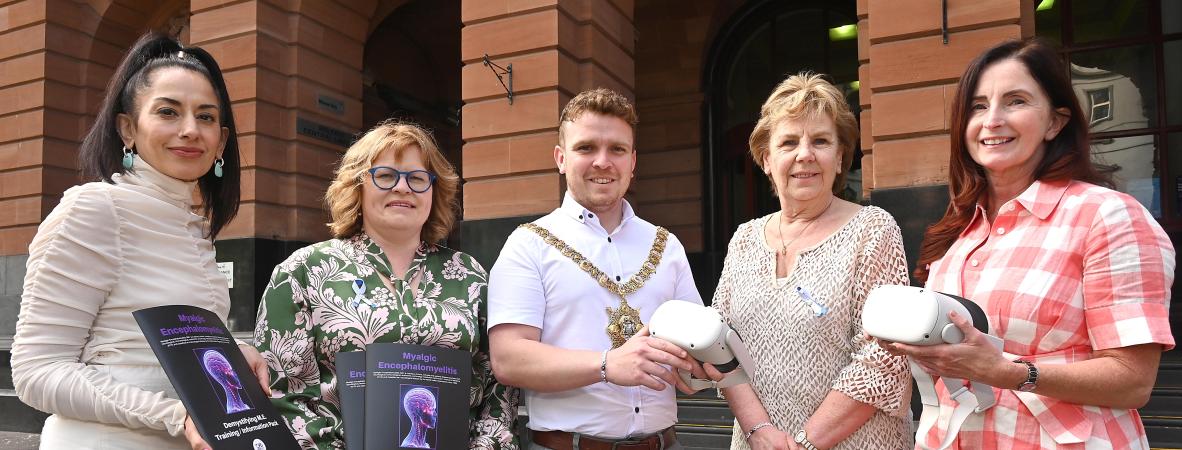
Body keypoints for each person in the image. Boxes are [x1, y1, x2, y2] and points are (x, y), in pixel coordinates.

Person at [888, 38, 1176, 449]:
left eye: (1016, 101)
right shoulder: (961, 228)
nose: (992, 121)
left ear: (1056, 122)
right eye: (978, 105)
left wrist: (1010, 372)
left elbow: (1132, 381)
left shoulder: (1108, 216)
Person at [11, 32, 267, 450]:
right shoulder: (95, 209)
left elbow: (140, 341)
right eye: (168, 111)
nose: (189, 130)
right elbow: (37, 373)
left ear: (221, 142)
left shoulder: (195, 227)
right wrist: (175, 416)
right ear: (127, 128)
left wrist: (229, 350)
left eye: (205, 117)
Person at [253, 120, 517, 449]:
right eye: (386, 175)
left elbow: (497, 388)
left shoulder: (469, 275)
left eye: (417, 178)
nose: (403, 188)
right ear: (357, 185)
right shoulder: (304, 271)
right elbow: (285, 396)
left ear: (434, 191)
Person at [487, 88, 723, 450]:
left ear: (633, 161)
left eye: (617, 149)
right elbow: (508, 358)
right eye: (586, 148)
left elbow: (694, 347)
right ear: (561, 158)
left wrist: (697, 362)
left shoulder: (666, 245)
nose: (603, 161)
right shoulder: (528, 244)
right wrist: (606, 364)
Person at [710, 73, 913, 450]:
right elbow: (718, 345)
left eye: (820, 141)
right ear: (767, 160)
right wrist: (759, 432)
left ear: (839, 158)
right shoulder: (742, 239)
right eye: (789, 142)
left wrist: (803, 444)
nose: (805, 154)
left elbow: (885, 357)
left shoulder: (873, 230)